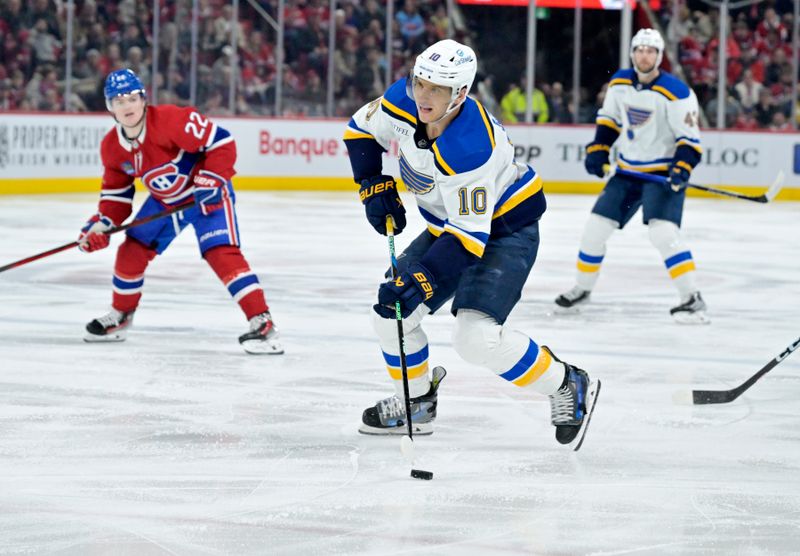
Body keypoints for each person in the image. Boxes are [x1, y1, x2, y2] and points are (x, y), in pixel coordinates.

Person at [342, 40, 600, 450]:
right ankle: (417, 405)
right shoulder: (401, 101)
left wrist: (421, 281)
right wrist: (371, 183)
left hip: (504, 230)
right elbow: (358, 129)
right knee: (391, 315)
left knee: (475, 339)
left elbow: (468, 239)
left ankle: (567, 382)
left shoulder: (470, 148)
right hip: (453, 227)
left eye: (436, 90)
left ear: (459, 94)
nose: (423, 95)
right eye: (420, 82)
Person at [78, 69, 282, 354]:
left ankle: (262, 322)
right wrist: (101, 225)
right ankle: (121, 316)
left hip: (205, 195)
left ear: (143, 99)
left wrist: (210, 180)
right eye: (118, 100)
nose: (127, 106)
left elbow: (221, 142)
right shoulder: (112, 147)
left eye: (132, 98)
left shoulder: (171, 120)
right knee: (132, 250)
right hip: (167, 201)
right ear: (109, 107)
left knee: (220, 252)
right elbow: (117, 195)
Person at [555, 29, 707, 324]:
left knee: (663, 234)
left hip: (661, 174)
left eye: (651, 50)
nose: (644, 55)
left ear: (659, 56)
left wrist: (681, 167)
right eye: (639, 49)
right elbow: (609, 120)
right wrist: (599, 149)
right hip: (627, 172)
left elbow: (690, 142)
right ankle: (583, 290)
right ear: (632, 53)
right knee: (594, 230)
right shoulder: (620, 83)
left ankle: (692, 298)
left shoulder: (677, 93)